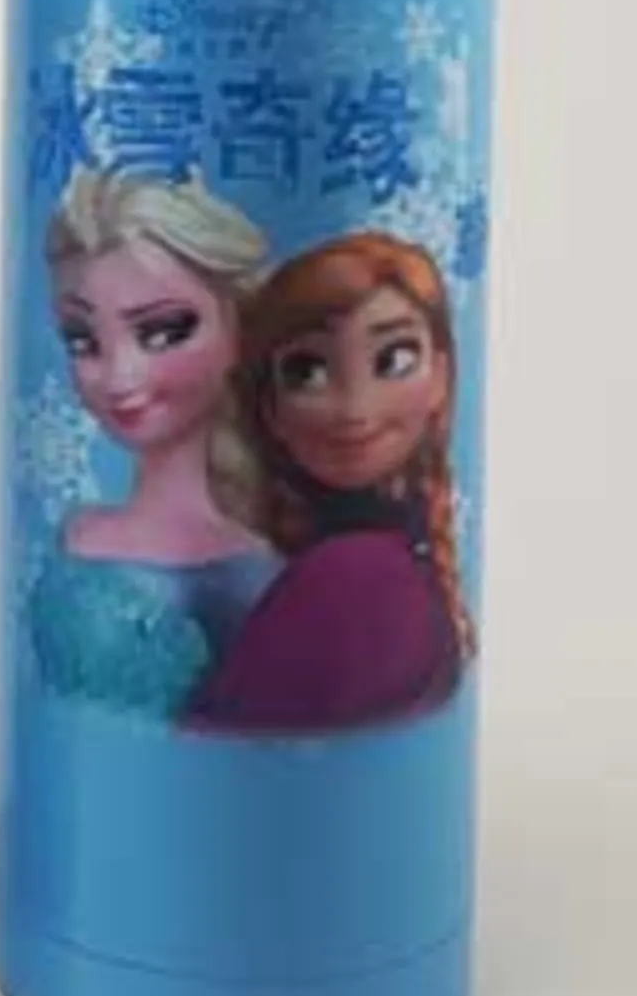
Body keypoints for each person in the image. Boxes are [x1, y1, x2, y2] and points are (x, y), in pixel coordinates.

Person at [188, 231, 472, 736]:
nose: (355, 411)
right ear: (269, 407)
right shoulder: (388, 561)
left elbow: (227, 746)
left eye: (394, 360)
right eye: (308, 371)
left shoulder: (355, 575)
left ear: (442, 376)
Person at [26, 167, 276, 720]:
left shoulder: (255, 574)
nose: (121, 377)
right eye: (83, 341)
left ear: (240, 331)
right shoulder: (74, 531)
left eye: (163, 332)